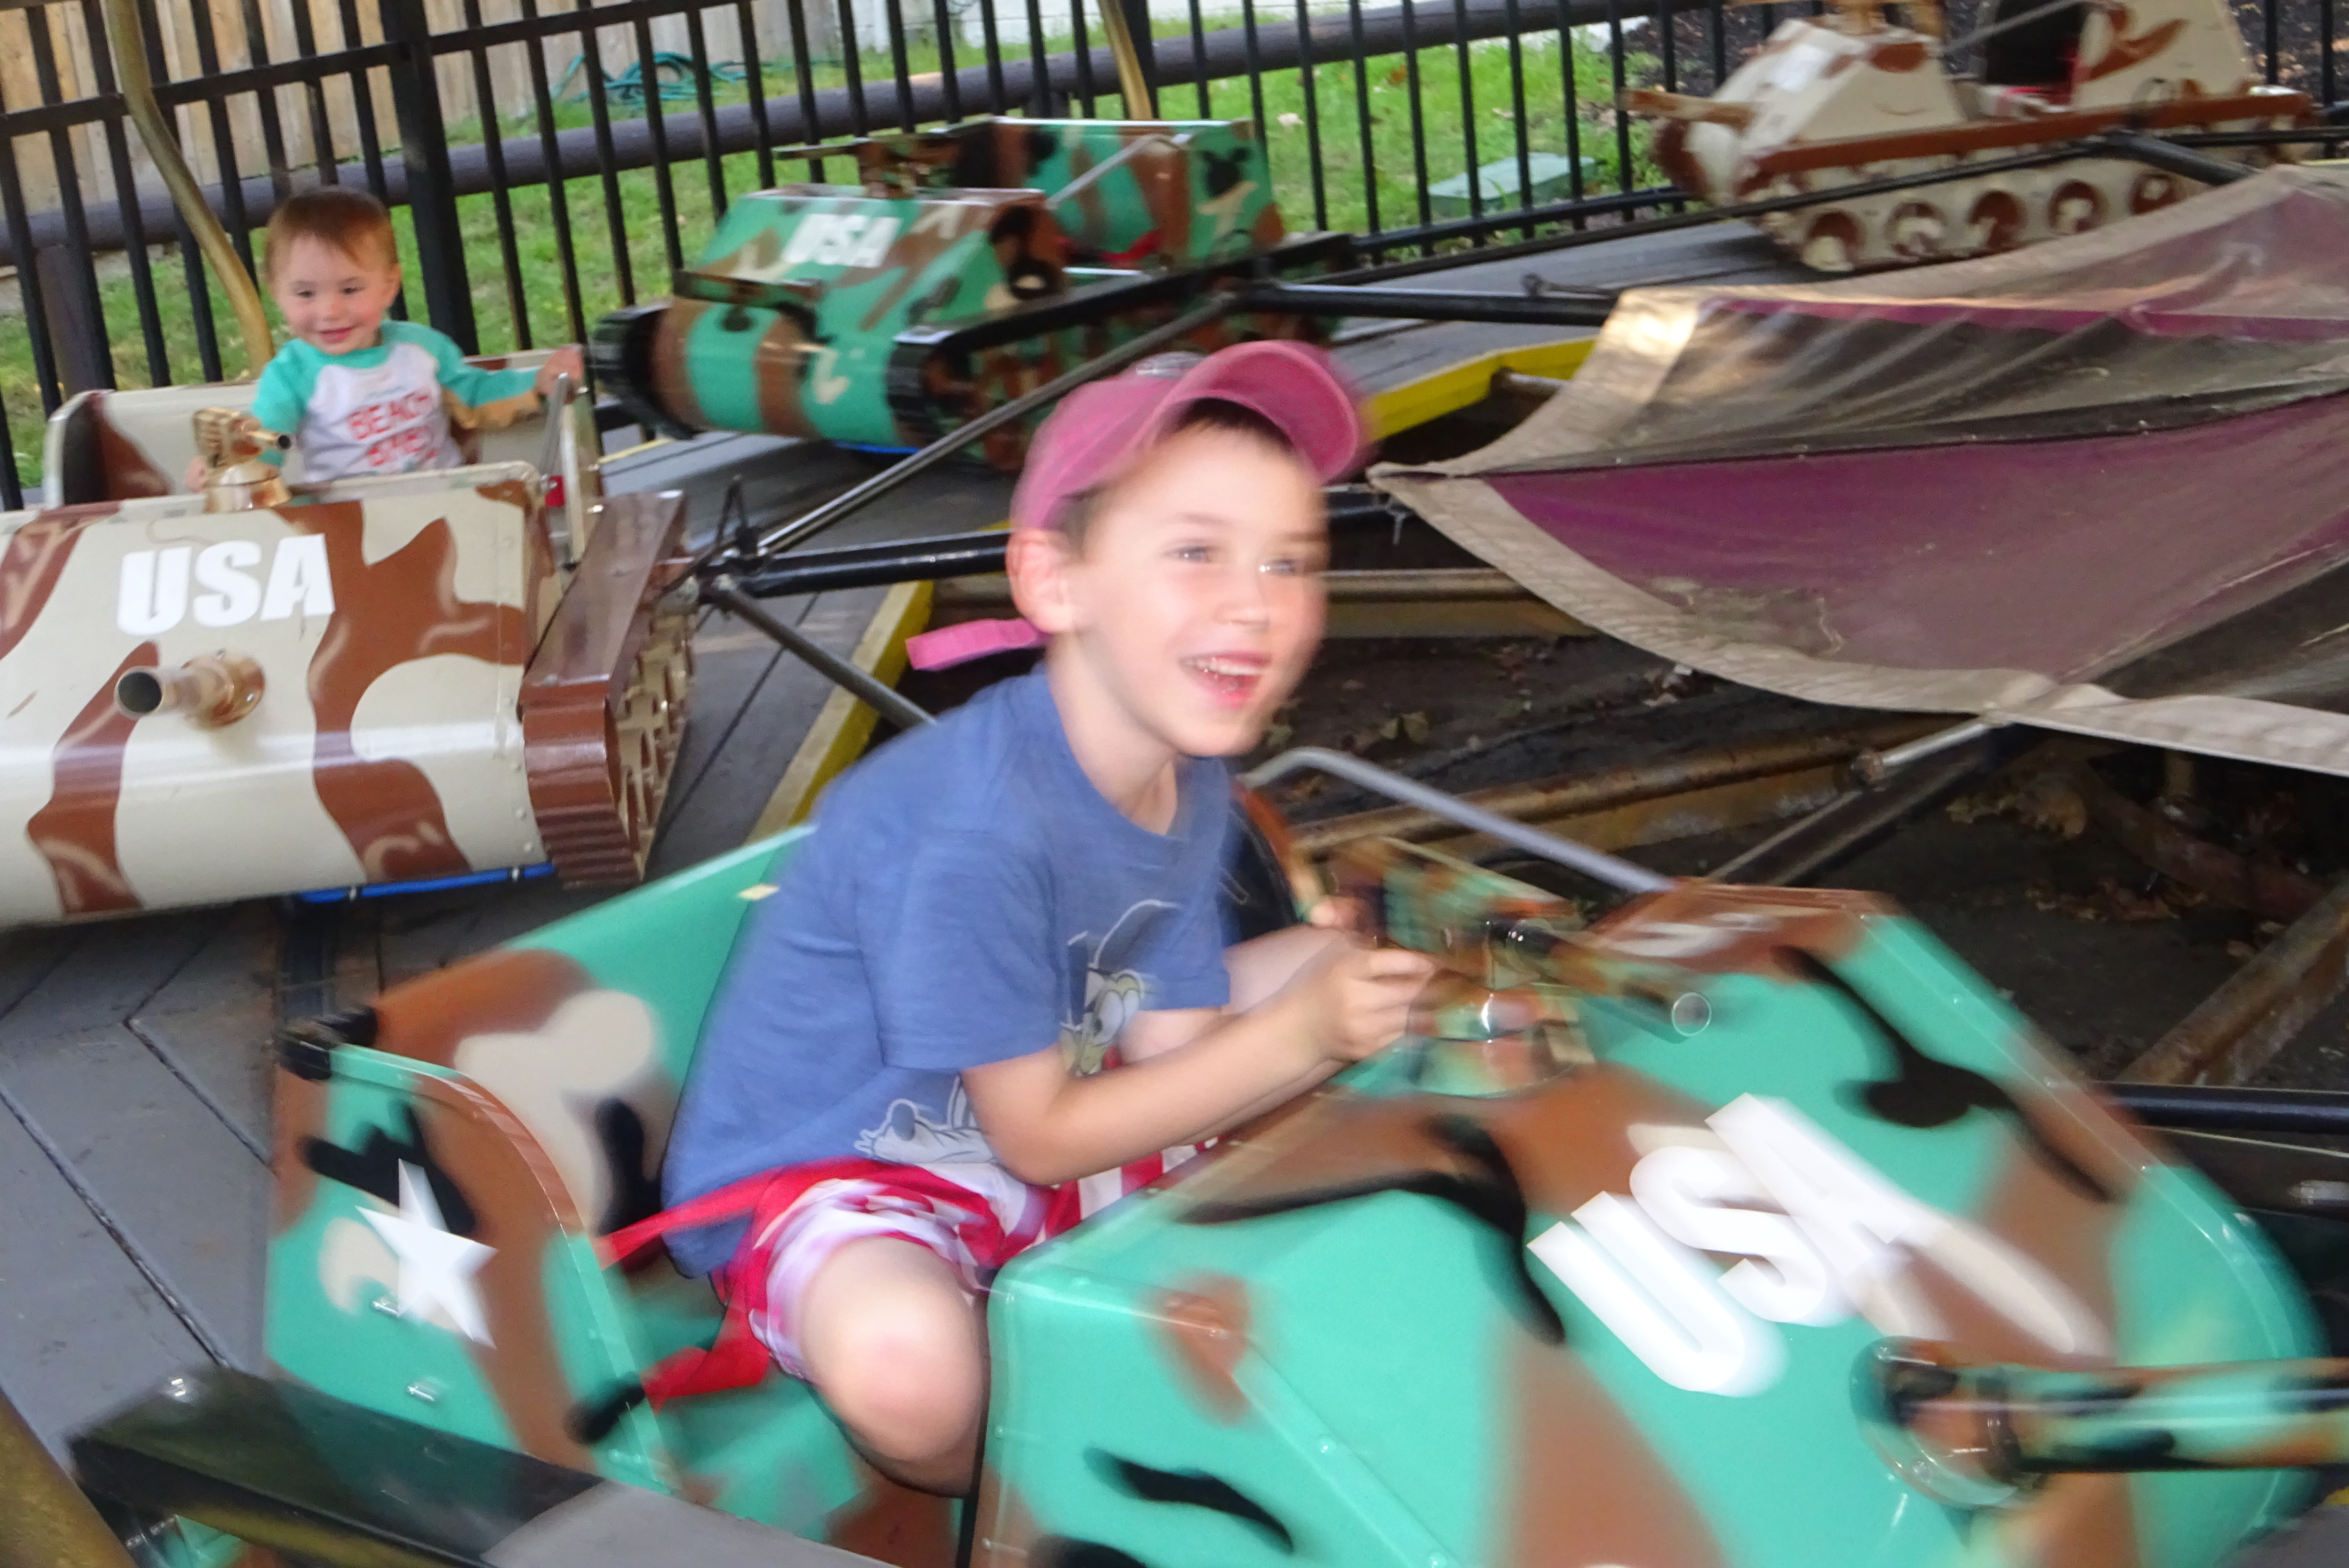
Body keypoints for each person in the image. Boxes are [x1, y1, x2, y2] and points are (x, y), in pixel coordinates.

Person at [649, 341, 1435, 1495]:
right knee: (908, 1370)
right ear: (1055, 582)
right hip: (852, 1169)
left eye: (1290, 560)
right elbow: (1045, 1138)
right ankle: (1040, 1502)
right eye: (1196, 551)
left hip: (1030, 1093)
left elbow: (1169, 1035)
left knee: (1340, 963)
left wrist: (1331, 1001)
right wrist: (1302, 1039)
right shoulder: (969, 827)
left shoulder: (1181, 770)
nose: (1256, 604)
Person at [186, 187, 583, 487]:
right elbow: (267, 437)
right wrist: (228, 466)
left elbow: (476, 396)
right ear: (277, 292)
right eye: (306, 294)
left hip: (443, 501)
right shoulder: (292, 374)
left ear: (389, 286)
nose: (330, 311)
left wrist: (539, 384)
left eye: (350, 290)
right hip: (348, 519)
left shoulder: (421, 349)